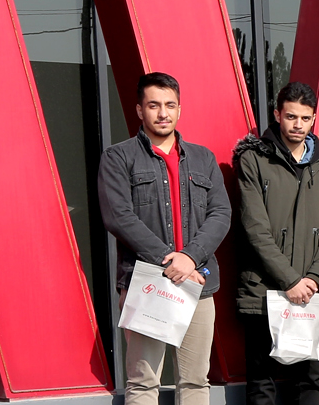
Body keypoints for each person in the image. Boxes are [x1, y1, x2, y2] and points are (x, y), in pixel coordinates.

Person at [99, 72, 230, 405]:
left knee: (196, 380)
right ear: (139, 110)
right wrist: (170, 259)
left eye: (170, 105)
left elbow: (221, 214)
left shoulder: (203, 158)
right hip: (146, 281)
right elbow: (118, 216)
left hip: (197, 284)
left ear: (179, 109)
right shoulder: (119, 157)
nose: (162, 113)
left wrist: (190, 257)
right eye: (153, 105)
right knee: (143, 382)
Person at [233, 81, 319, 405]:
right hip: (262, 290)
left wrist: (313, 280)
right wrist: (290, 280)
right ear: (278, 114)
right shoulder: (253, 160)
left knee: (309, 383)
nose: (298, 125)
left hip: (308, 293)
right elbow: (255, 229)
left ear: (313, 119)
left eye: (305, 118)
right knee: (262, 385)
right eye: (291, 116)